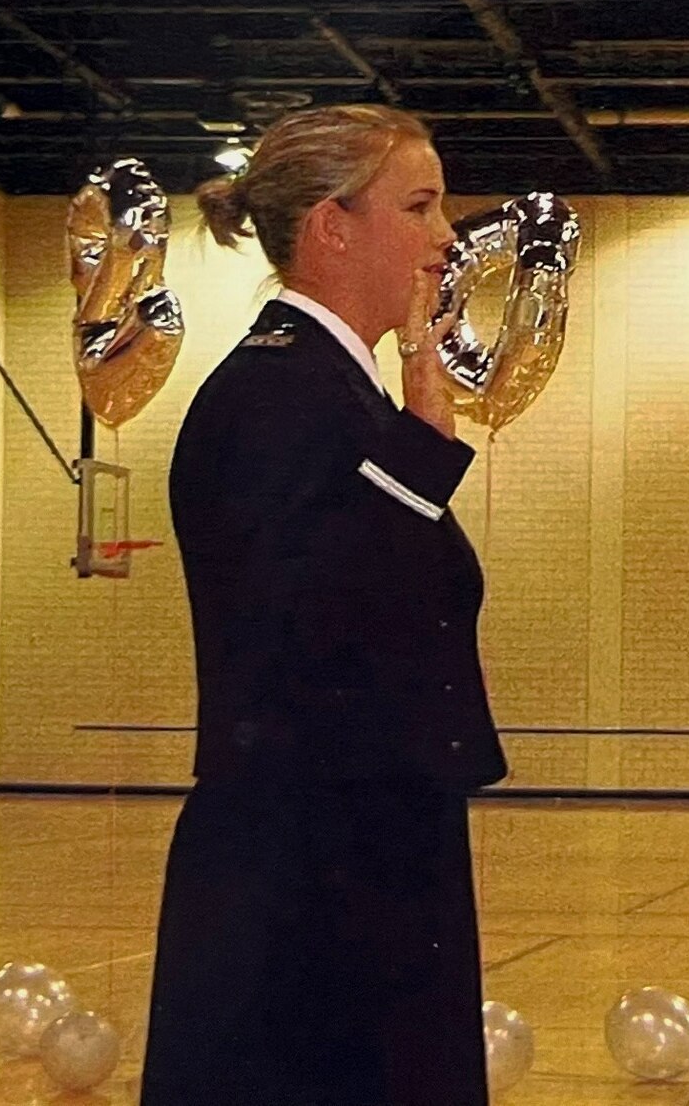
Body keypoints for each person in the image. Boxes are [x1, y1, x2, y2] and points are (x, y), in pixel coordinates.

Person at [141, 105, 508, 1106]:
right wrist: (422, 452)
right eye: (420, 206)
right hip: (307, 871)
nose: (445, 237)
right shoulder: (272, 393)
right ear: (331, 228)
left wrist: (413, 442)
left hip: (355, 846)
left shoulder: (338, 396)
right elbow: (311, 616)